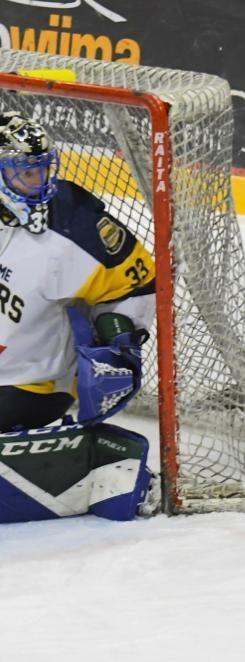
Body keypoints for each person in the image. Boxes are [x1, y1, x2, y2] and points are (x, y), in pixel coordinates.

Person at [0, 111, 157, 521]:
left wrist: (119, 336)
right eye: (24, 173)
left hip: (33, 385)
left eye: (42, 169)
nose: (39, 183)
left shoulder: (74, 227)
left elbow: (136, 282)